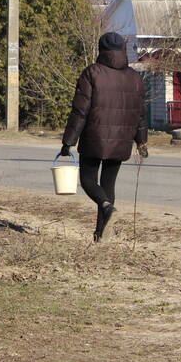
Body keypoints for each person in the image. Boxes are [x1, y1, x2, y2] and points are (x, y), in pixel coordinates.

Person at [58, 31, 148, 242]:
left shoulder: (92, 73)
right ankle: (101, 235)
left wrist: (68, 142)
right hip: (122, 140)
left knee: (88, 180)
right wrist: (141, 141)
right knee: (108, 186)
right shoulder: (135, 77)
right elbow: (140, 113)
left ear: (101, 50)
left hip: (94, 138)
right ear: (123, 51)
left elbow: (80, 111)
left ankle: (107, 207)